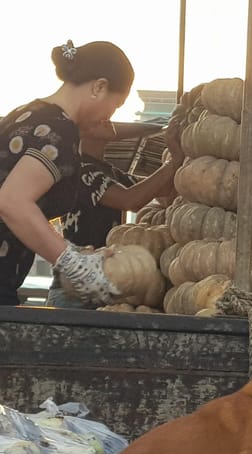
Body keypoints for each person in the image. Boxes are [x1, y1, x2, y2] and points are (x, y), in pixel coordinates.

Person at [0, 39, 133, 306]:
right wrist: (69, 261)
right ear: (99, 86)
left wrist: (75, 252)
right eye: (115, 106)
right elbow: (11, 201)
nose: (109, 117)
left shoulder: (26, 114)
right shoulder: (59, 130)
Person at [45, 118, 184, 307]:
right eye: (97, 119)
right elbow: (131, 200)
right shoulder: (81, 171)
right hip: (76, 288)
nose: (106, 119)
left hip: (102, 281)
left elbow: (162, 194)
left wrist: (182, 164)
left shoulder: (112, 174)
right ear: (80, 133)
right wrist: (173, 160)